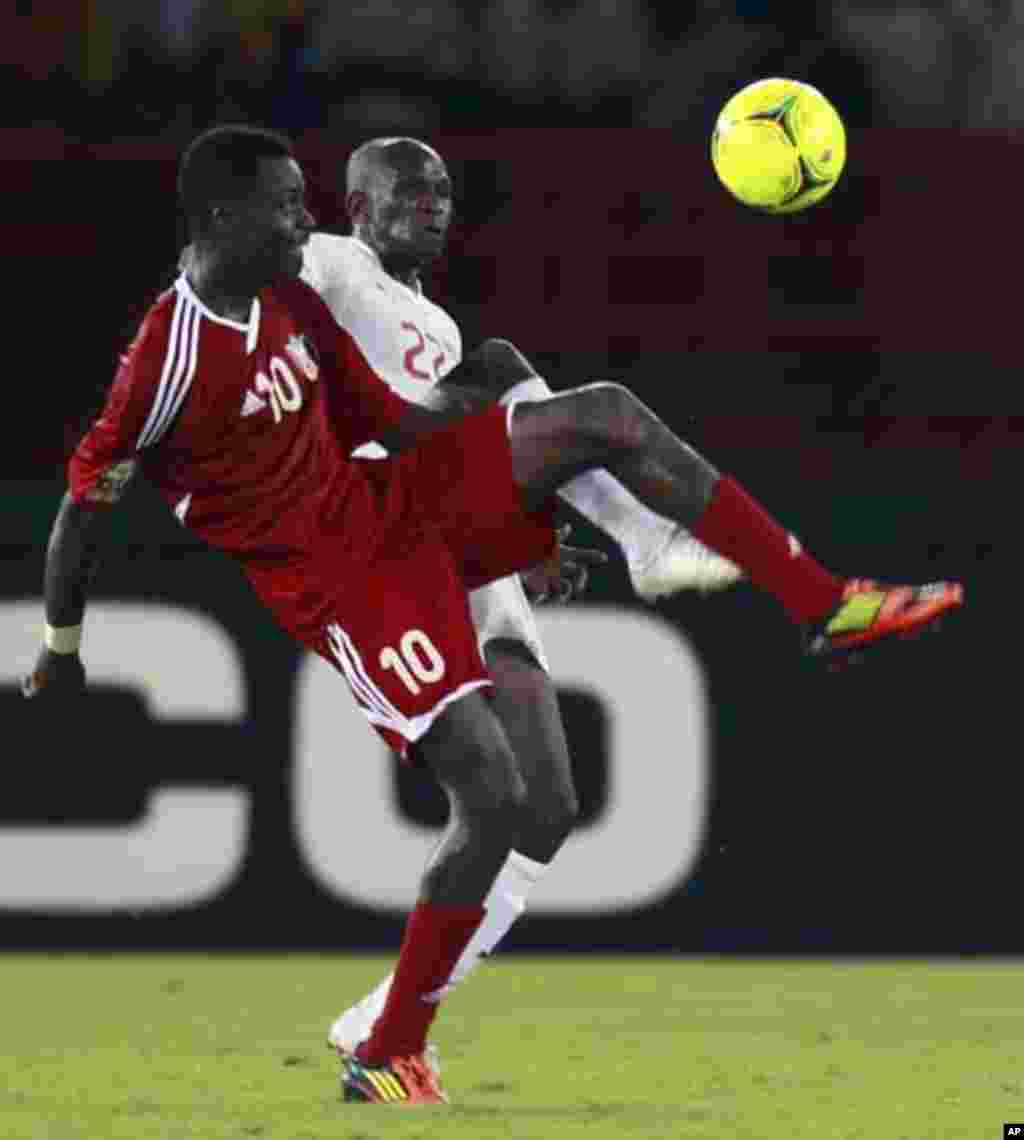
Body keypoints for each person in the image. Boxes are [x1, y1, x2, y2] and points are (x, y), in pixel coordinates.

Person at [23, 125, 962, 1107]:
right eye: (289, 205)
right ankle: (391, 1045)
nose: (303, 222)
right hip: (345, 574)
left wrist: (505, 453)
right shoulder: (176, 354)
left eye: (309, 202)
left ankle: (825, 602)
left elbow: (385, 425)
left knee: (604, 414)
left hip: (398, 498)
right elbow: (82, 506)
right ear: (226, 217)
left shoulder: (290, 297)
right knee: (499, 797)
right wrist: (61, 645)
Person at [296, 136, 744, 1071]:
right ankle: (643, 535)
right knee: (504, 362)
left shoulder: (438, 330)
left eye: (445, 190)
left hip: (463, 546)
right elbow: (268, 290)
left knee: (548, 806)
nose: (433, 203)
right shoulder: (332, 265)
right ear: (359, 207)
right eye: (409, 190)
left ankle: (383, 1022)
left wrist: (524, 543)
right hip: (386, 542)